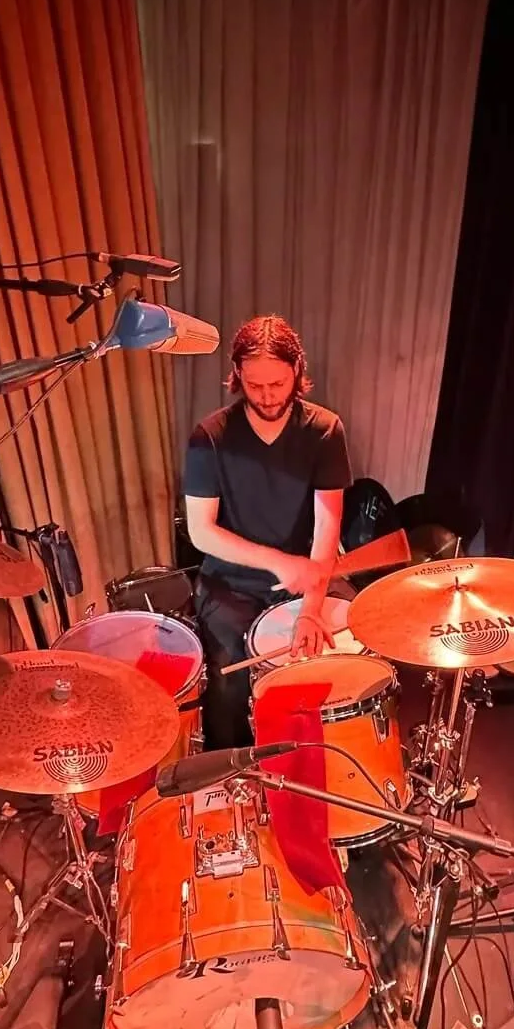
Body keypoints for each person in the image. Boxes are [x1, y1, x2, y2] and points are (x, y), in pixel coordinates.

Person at [183, 315, 353, 748]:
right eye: (255, 385)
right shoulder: (211, 436)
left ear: (297, 369)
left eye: (277, 384)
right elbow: (201, 533)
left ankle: (315, 766)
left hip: (305, 580)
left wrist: (312, 606)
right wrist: (278, 561)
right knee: (229, 683)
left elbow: (326, 523)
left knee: (336, 665)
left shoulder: (324, 430)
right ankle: (234, 784)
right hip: (230, 584)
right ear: (237, 374)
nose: (267, 396)